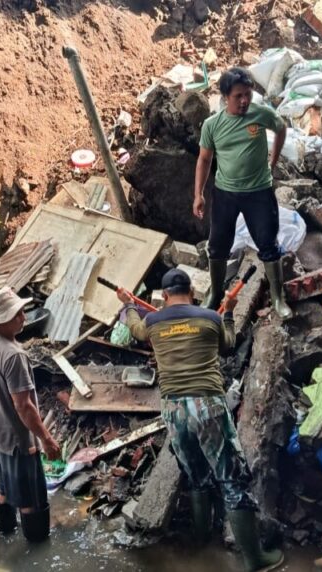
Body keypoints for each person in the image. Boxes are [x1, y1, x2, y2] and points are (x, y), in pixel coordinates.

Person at [117, 268, 284, 572]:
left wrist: (128, 303)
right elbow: (228, 344)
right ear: (192, 292)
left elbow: (134, 329)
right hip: (207, 405)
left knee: (195, 475)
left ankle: (201, 539)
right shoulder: (210, 317)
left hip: (173, 410)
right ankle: (254, 560)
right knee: (231, 479)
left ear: (165, 297)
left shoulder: (153, 321)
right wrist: (230, 313)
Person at [194, 66, 292, 320]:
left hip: (259, 192)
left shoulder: (259, 114)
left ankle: (278, 297)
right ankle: (215, 293)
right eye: (238, 96)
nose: (244, 100)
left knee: (268, 244)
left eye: (247, 94)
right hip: (225, 193)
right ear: (226, 97)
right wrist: (199, 194)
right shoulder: (211, 125)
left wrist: (274, 159)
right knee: (217, 246)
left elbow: (281, 128)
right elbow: (204, 160)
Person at [0, 286, 61, 542]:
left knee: (4, 489)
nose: (24, 318)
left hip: (0, 435)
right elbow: (24, 406)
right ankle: (35, 553)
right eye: (18, 314)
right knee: (30, 500)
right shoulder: (14, 355)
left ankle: (4, 533)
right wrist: (46, 439)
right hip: (18, 440)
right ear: (4, 320)